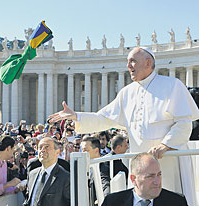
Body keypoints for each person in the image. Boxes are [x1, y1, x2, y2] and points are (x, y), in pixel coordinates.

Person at [49, 47, 199, 205]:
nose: (128, 66)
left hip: (169, 161)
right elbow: (104, 118)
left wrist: (165, 145)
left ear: (148, 63)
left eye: (133, 61)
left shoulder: (172, 85)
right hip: (139, 164)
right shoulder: (126, 93)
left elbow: (184, 122)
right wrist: (77, 116)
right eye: (127, 62)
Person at [101, 153, 188, 206]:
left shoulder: (176, 202)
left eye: (159, 175)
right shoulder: (112, 202)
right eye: (150, 176)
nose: (157, 181)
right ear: (133, 179)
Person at [24, 137, 70, 206]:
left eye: (47, 147)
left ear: (57, 152)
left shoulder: (65, 178)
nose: (43, 150)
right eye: (40, 147)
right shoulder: (32, 174)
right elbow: (28, 200)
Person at [0, 136, 24, 202]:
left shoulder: (4, 162)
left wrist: (15, 189)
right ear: (8, 148)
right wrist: (9, 184)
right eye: (13, 149)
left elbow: (2, 189)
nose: (13, 152)